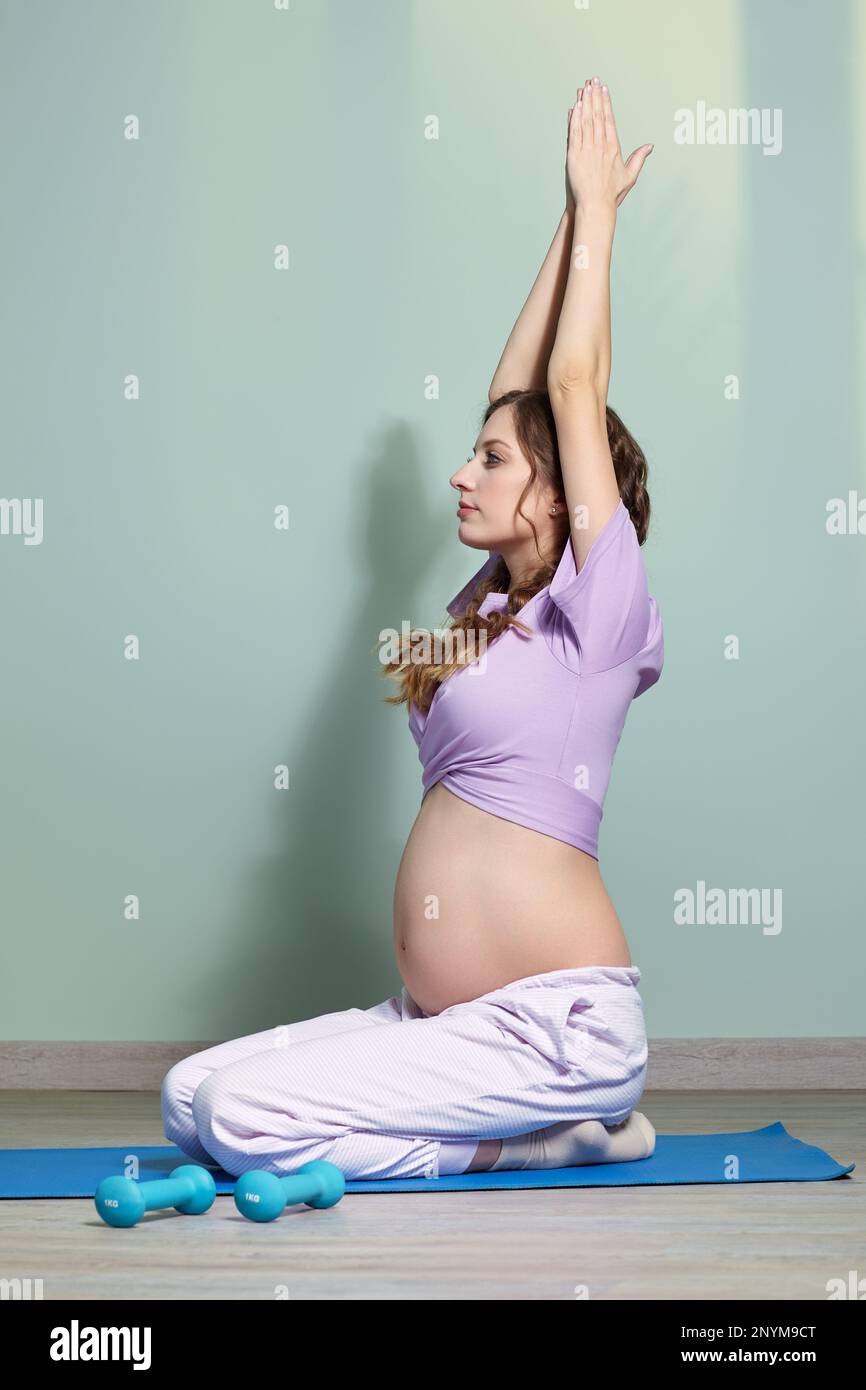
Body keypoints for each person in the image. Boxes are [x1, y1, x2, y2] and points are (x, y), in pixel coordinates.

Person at [161, 76, 662, 1181]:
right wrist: (567, 221)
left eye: (489, 461)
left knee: (242, 1123)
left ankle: (531, 1138)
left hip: (552, 1025)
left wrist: (604, 221)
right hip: (440, 1022)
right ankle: (548, 1135)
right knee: (187, 1095)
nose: (459, 470)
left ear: (561, 497)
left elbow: (568, 388)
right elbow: (519, 387)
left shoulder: (604, 609)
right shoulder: (482, 610)